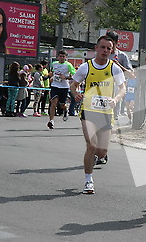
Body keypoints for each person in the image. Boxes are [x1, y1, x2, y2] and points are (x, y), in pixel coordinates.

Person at [70, 35, 126, 194]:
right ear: (96, 48)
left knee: (101, 152)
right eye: (103, 47)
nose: (105, 51)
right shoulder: (86, 67)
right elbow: (74, 85)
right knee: (91, 145)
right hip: (88, 111)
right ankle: (88, 181)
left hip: (106, 112)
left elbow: (122, 89)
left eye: (109, 48)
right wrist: (76, 94)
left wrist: (115, 99)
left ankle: (96, 156)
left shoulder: (114, 68)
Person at [105, 31, 135, 119]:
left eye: (111, 43)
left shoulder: (122, 56)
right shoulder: (102, 54)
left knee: (113, 116)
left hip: (116, 87)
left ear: (116, 43)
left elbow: (131, 75)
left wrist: (119, 66)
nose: (108, 47)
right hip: (102, 86)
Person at [47, 50, 76, 129]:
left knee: (61, 104)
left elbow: (75, 75)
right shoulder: (54, 64)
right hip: (55, 86)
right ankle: (51, 121)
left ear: (66, 57)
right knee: (53, 102)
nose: (62, 58)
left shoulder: (68, 65)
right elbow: (52, 72)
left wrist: (66, 77)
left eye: (63, 56)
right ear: (58, 57)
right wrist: (51, 76)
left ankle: (65, 109)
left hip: (64, 87)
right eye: (60, 56)